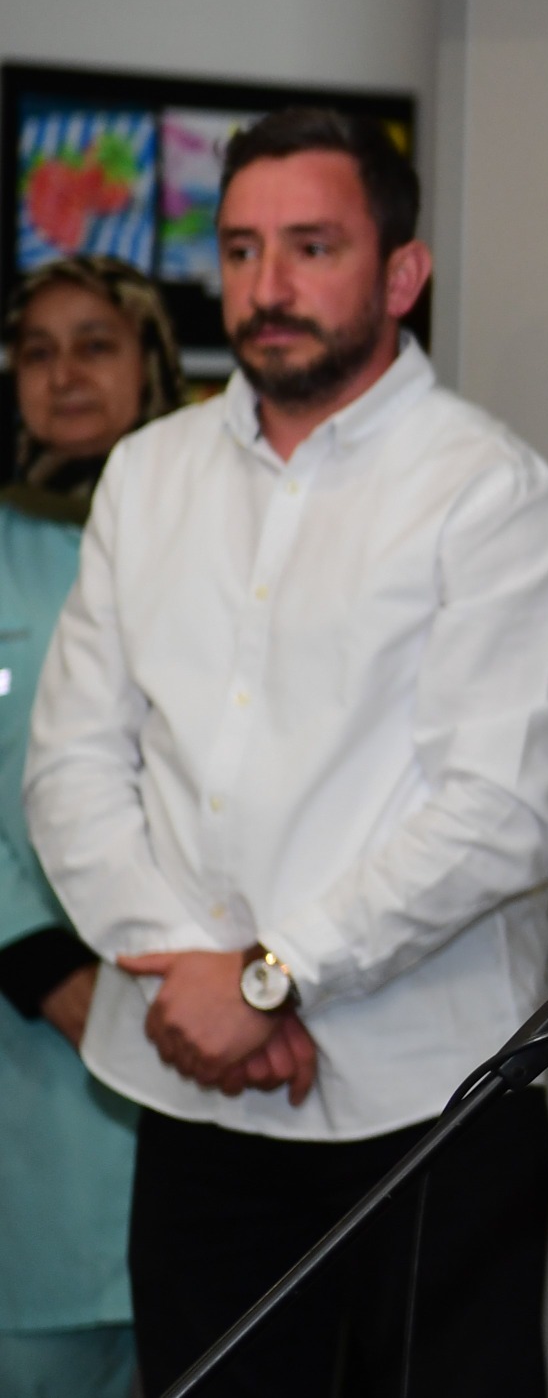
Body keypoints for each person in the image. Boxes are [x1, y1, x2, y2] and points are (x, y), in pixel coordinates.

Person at [27, 108, 548, 1397]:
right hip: (192, 1095)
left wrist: (270, 978)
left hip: (427, 1103)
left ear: (401, 274)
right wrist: (197, 977)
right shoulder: (148, 474)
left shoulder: (489, 493)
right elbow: (69, 765)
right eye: (241, 250)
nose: (268, 286)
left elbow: (493, 811)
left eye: (312, 246)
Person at [0, 254, 183, 1398]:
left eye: (96, 344)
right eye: (37, 351)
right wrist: (40, 957)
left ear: (152, 362)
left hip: (210, 1017)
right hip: (31, 1039)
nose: (63, 373)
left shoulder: (215, 538)